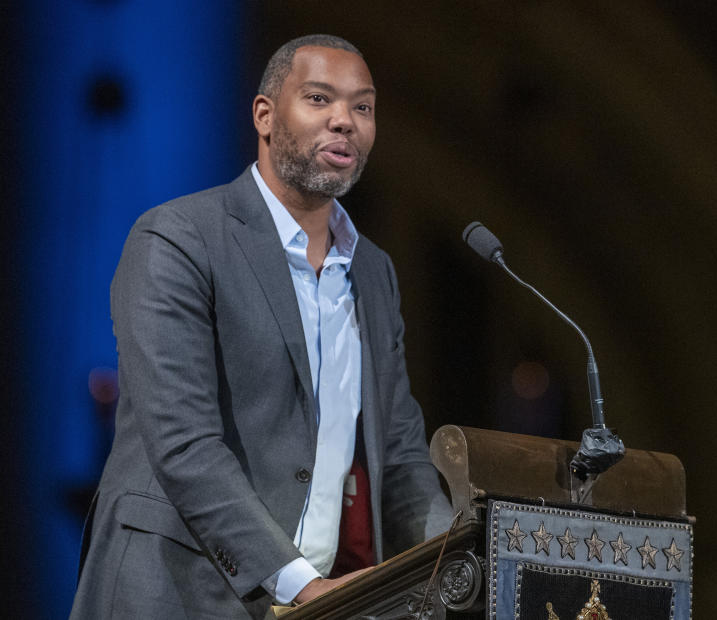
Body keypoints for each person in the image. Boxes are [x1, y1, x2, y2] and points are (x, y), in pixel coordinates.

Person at [69, 34, 453, 619]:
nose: (344, 122)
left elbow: (399, 456)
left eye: (362, 106)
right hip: (171, 594)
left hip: (315, 602)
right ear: (266, 115)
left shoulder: (373, 271)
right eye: (320, 99)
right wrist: (299, 584)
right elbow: (183, 442)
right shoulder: (178, 238)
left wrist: (458, 569)